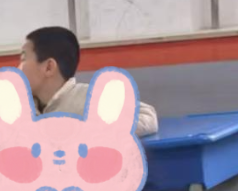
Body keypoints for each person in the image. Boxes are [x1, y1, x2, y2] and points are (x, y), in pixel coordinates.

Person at [18, 25, 159, 134]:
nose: (18, 68)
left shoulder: (89, 99)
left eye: (24, 59)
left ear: (49, 67)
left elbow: (147, 115)